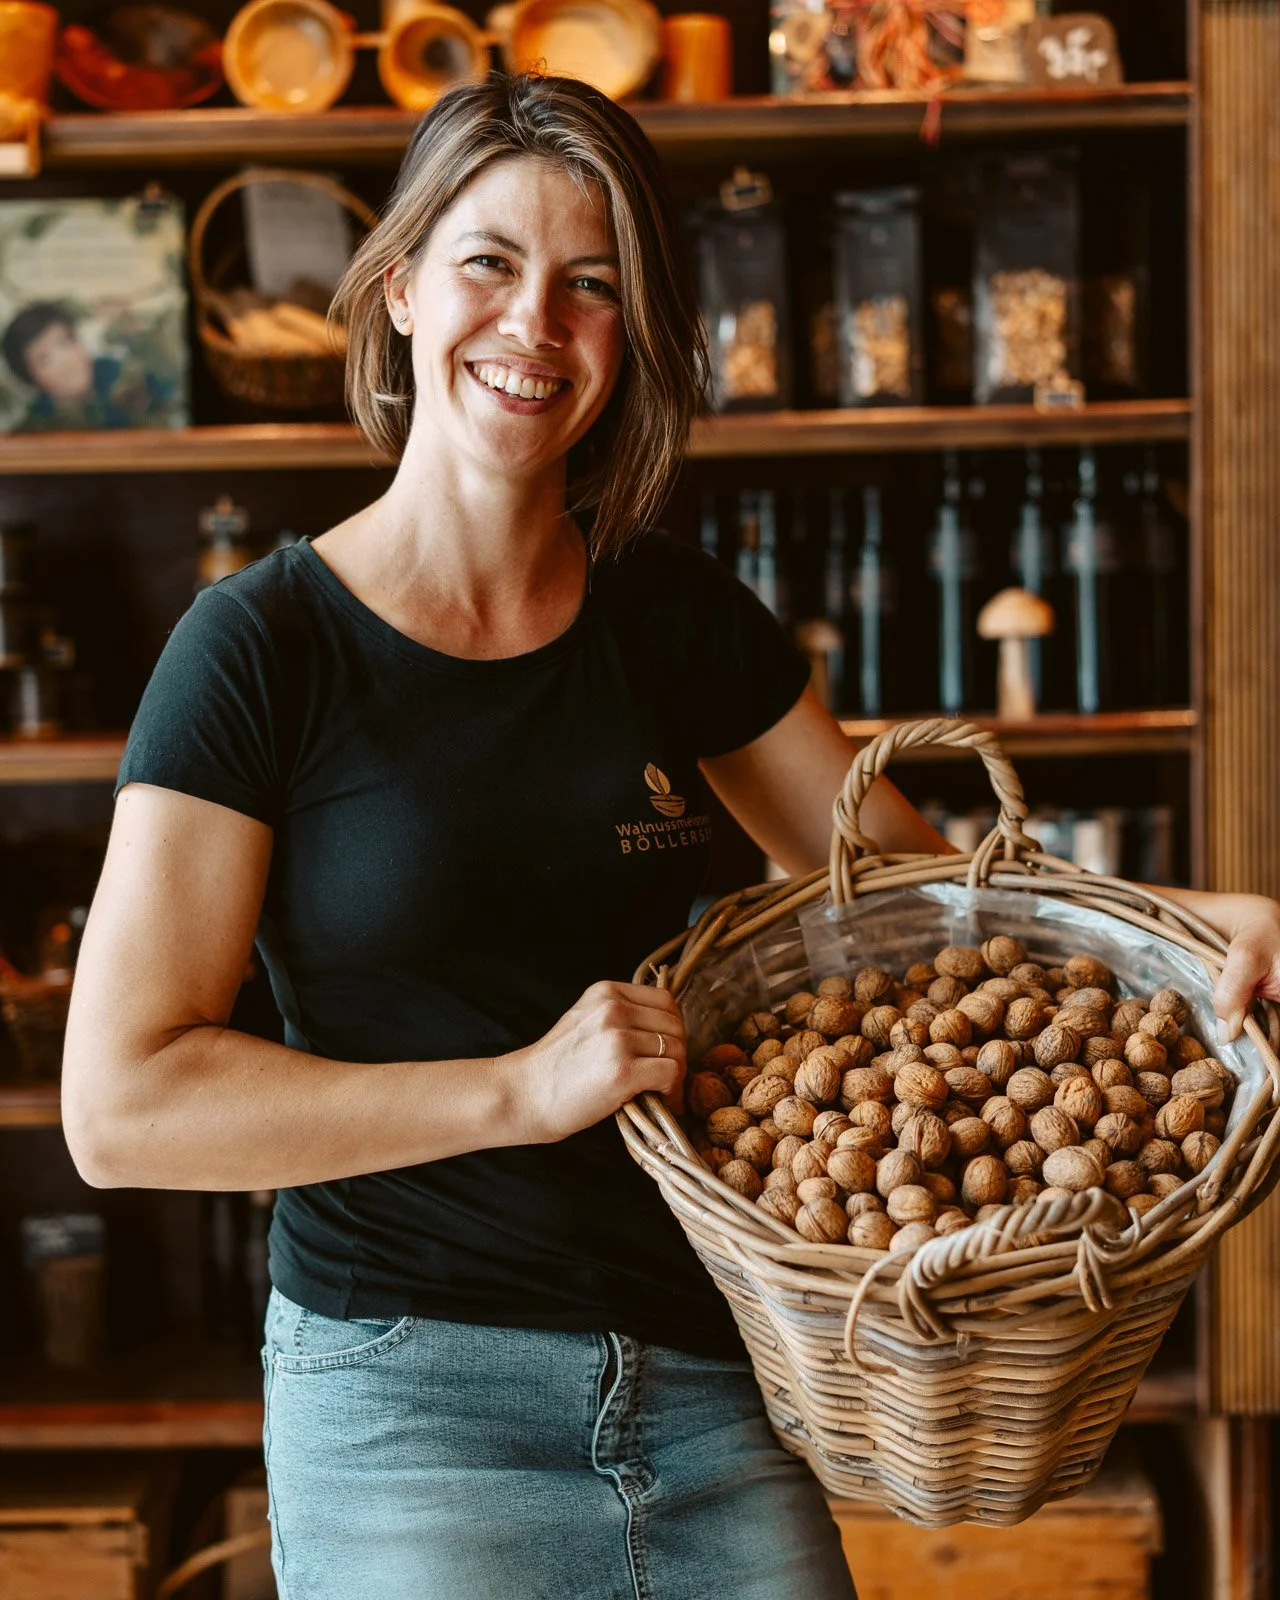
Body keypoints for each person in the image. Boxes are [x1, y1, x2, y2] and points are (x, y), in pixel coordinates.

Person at [62, 73, 1280, 1600]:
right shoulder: (258, 651)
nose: (536, 325)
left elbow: (921, 906)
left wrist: (1188, 922)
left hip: (711, 1364)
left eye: (594, 284)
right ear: (400, 288)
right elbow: (125, 1106)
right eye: (490, 263)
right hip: (413, 1393)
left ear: (634, 333)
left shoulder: (672, 612)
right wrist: (520, 1090)